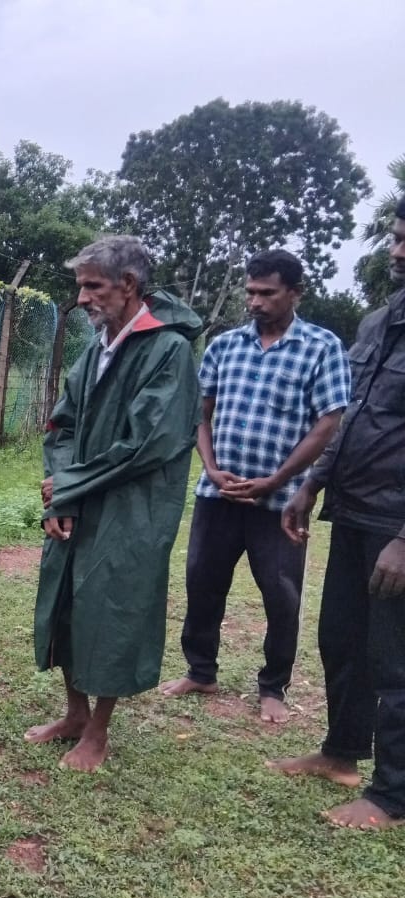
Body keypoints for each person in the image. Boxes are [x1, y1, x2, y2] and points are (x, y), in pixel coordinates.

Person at [28, 235, 201, 772]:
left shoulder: (167, 350)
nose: (81, 298)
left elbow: (148, 443)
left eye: (92, 286)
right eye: (80, 286)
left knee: (113, 608)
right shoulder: (97, 346)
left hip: (133, 508)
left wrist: (70, 486)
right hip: (80, 499)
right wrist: (60, 490)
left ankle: (99, 731)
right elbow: (62, 424)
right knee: (66, 603)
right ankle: (74, 713)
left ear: (128, 286)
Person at [160, 250, 349, 723]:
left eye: (267, 292)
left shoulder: (322, 348)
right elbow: (200, 415)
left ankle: (273, 687)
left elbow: (328, 424)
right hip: (217, 494)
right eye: (250, 291)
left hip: (280, 501)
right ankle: (200, 670)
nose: (255, 301)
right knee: (202, 582)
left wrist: (279, 480)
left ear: (295, 293)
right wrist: (210, 465)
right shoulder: (225, 346)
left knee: (281, 594)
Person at [267, 198, 405, 830]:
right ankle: (342, 754)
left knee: (394, 658)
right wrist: (311, 485)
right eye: (396, 239)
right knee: (341, 639)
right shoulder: (379, 321)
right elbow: (348, 415)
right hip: (352, 509)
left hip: (395, 524)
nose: (397, 253)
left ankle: (392, 795)